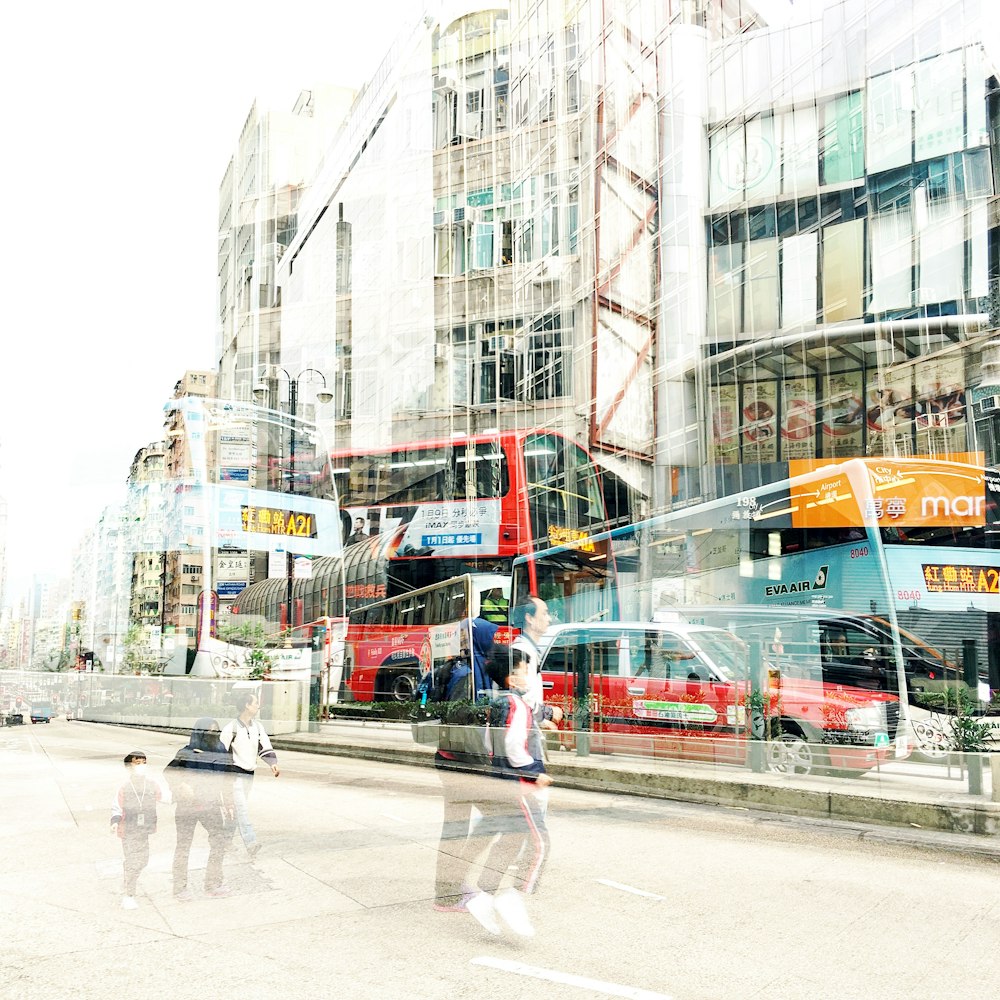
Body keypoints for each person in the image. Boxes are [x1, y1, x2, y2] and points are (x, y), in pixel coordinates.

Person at [461, 655, 552, 937]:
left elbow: (490, 741)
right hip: (517, 782)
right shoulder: (518, 705)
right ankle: (512, 895)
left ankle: (487, 897)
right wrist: (535, 772)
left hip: (498, 779)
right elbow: (514, 747)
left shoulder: (498, 703)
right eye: (525, 672)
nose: (529, 677)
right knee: (540, 843)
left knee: (511, 840)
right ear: (512, 679)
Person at [164, 719, 234, 900]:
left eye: (215, 731)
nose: (212, 735)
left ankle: (213, 884)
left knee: (219, 843)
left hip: (210, 805)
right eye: (207, 732)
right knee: (183, 846)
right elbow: (168, 773)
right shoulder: (186, 753)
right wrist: (180, 785)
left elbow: (227, 779)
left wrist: (229, 802)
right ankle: (180, 888)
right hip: (187, 807)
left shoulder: (221, 753)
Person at [219, 689, 279, 859]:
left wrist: (273, 764)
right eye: (255, 703)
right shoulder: (231, 728)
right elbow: (222, 753)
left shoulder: (258, 727)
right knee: (242, 811)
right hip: (235, 775)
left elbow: (264, 746)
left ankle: (224, 841)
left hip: (249, 775)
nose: (258, 706)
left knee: (236, 811)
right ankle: (251, 843)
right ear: (246, 705)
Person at [110, 750, 164, 910]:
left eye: (144, 763)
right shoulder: (125, 787)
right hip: (128, 829)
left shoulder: (151, 784)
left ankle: (127, 880)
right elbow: (116, 806)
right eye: (137, 763)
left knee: (143, 860)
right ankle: (129, 895)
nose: (141, 766)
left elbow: (163, 797)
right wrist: (114, 821)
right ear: (129, 767)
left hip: (144, 829)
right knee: (133, 862)